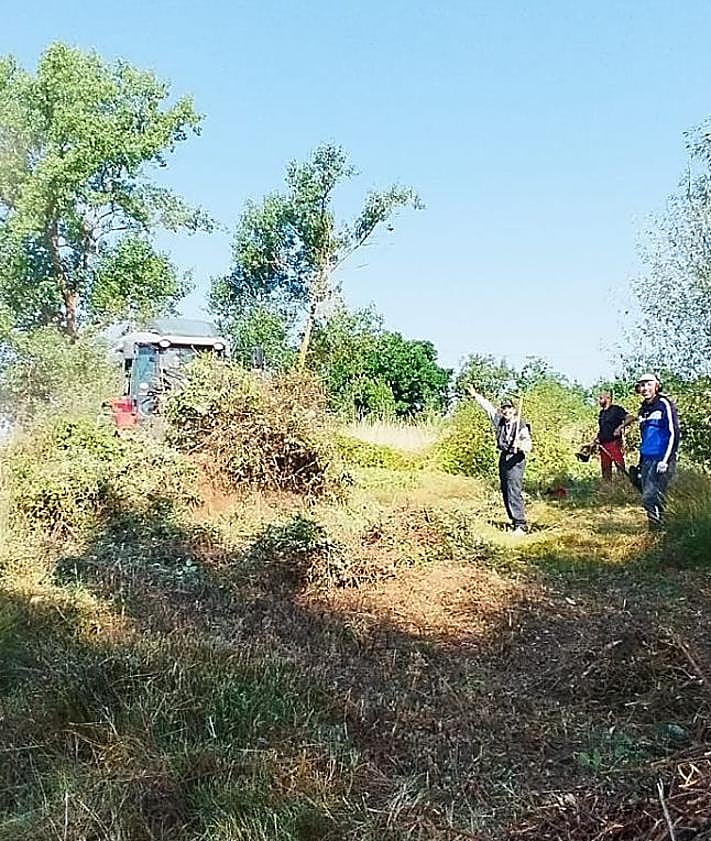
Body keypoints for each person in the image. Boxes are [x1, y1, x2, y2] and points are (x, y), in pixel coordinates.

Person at [616, 373, 680, 529]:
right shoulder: (642, 410)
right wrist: (639, 464)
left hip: (662, 459)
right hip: (646, 459)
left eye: (648, 384)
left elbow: (674, 432)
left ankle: (660, 528)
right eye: (642, 385)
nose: (645, 388)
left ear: (656, 386)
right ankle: (657, 529)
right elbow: (645, 438)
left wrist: (665, 460)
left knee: (650, 496)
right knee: (651, 496)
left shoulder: (664, 403)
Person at [467, 387, 533, 535]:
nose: (506, 411)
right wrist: (476, 395)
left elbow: (529, 445)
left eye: (509, 408)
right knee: (504, 489)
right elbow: (487, 407)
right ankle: (513, 520)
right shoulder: (499, 421)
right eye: (504, 408)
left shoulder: (520, 425)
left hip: (516, 459)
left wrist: (520, 445)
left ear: (514, 410)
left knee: (513, 489)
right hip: (504, 457)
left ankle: (520, 524)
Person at [594, 391, 634, 481]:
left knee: (619, 465)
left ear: (608, 398)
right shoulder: (602, 413)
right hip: (603, 445)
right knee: (605, 469)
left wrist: (619, 428)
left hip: (614, 443)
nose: (599, 401)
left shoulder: (616, 409)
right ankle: (608, 490)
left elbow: (630, 417)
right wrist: (597, 438)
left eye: (601, 398)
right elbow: (603, 428)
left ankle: (624, 485)